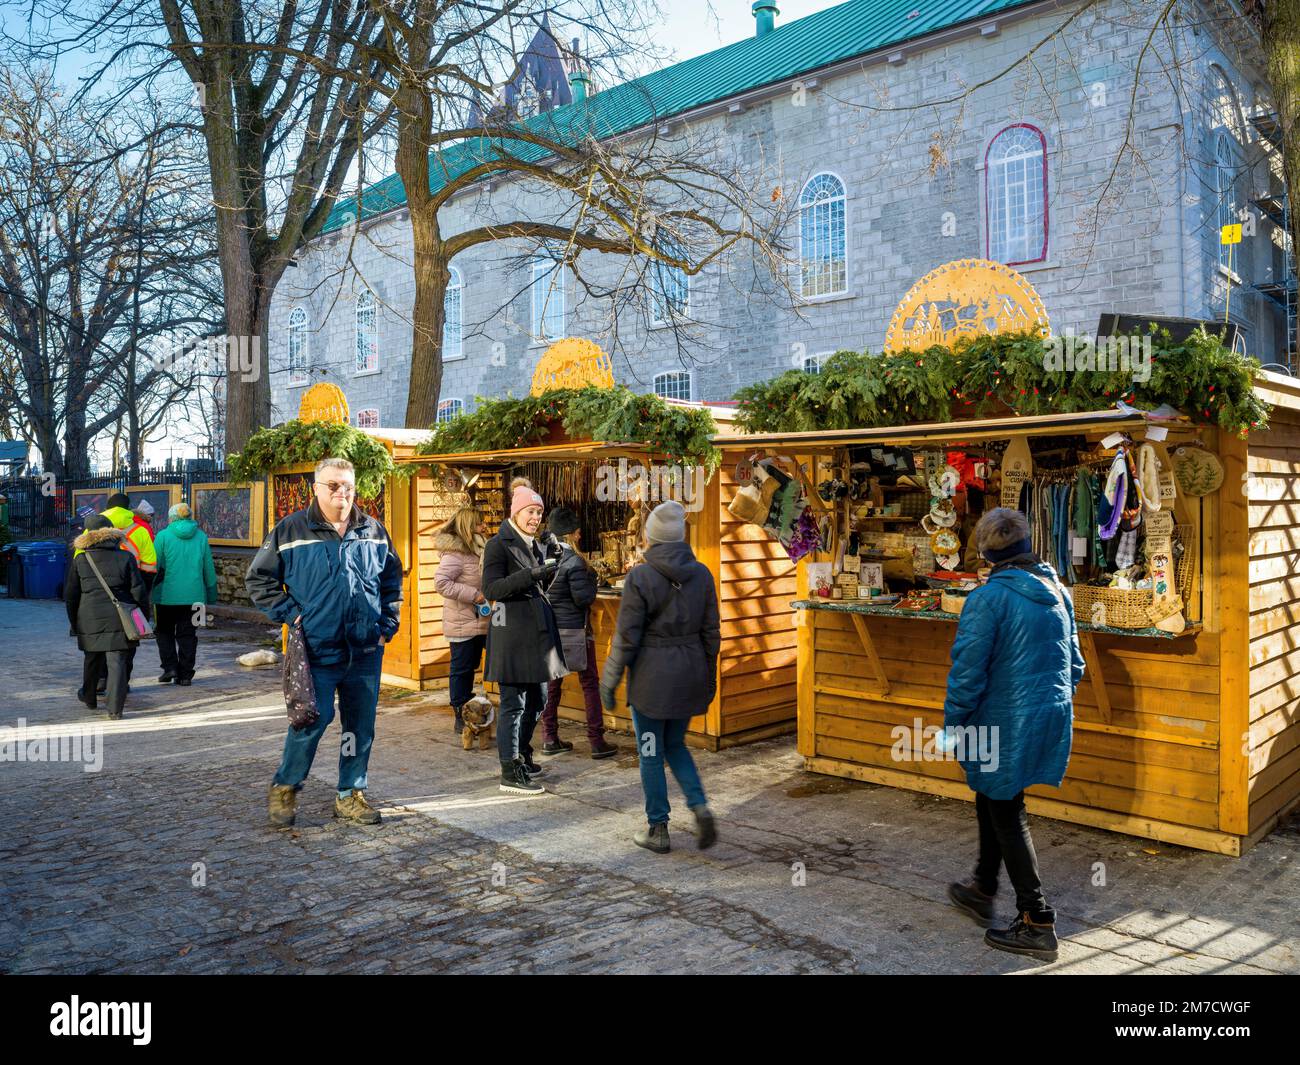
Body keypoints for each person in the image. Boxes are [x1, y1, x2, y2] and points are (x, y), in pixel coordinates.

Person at [944, 507, 1085, 963]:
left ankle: (1037, 921)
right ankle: (983, 886)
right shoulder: (1058, 590)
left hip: (1002, 719)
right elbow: (1076, 665)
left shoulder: (987, 599)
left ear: (987, 552)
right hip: (1049, 712)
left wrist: (954, 724)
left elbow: (967, 674)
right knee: (993, 797)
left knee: (1006, 808)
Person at [246, 457, 404, 828]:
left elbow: (391, 581)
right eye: (333, 486)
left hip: (364, 650)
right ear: (315, 489)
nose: (342, 494)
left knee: (359, 727)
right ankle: (285, 786)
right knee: (310, 721)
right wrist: (292, 614)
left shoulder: (373, 531)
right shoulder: (291, 530)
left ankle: (350, 794)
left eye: (348, 486)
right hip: (316, 650)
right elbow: (259, 581)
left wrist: (387, 623)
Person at [601, 500, 720, 854]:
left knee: (650, 751)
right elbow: (711, 634)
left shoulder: (640, 577)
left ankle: (658, 827)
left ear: (651, 537)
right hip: (689, 673)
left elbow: (626, 637)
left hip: (652, 682)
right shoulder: (701, 574)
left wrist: (610, 679)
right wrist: (709, 677)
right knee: (675, 744)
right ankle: (699, 806)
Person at [481, 482, 567, 795]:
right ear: (516, 512)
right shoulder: (498, 544)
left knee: (540, 700)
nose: (535, 517)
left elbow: (540, 585)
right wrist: (531, 574)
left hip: (536, 635)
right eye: (531, 511)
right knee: (513, 704)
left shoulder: (533, 544)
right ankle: (510, 770)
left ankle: (523, 752)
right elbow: (492, 590)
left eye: (539, 512)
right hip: (512, 635)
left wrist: (552, 562)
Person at [540, 507, 618, 760]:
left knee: (553, 685)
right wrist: (593, 582)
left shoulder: (544, 558)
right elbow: (582, 598)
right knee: (589, 684)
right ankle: (596, 740)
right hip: (575, 630)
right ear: (574, 534)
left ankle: (549, 737)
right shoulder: (574, 561)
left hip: (551, 630)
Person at [65, 514, 150, 719]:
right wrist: (142, 617)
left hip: (88, 617)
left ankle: (89, 697)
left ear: (88, 535)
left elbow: (71, 595)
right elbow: (138, 591)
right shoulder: (125, 557)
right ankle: (115, 709)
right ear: (111, 533)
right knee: (117, 661)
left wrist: (74, 622)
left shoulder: (81, 559)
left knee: (92, 659)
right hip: (120, 618)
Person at [432, 506, 490, 734]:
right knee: (462, 669)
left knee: (473, 665)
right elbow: (442, 583)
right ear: (468, 526)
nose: (484, 526)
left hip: (481, 620)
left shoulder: (478, 549)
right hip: (463, 620)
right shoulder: (455, 554)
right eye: (480, 523)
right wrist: (474, 595)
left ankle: (478, 710)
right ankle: (460, 714)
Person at [152, 502, 217, 685]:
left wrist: (148, 591)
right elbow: (208, 569)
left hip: (165, 595)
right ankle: (186, 674)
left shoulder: (163, 536)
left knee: (164, 631)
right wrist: (211, 594)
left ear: (171, 518)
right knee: (189, 634)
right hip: (196, 597)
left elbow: (155, 566)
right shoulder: (202, 537)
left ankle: (170, 667)